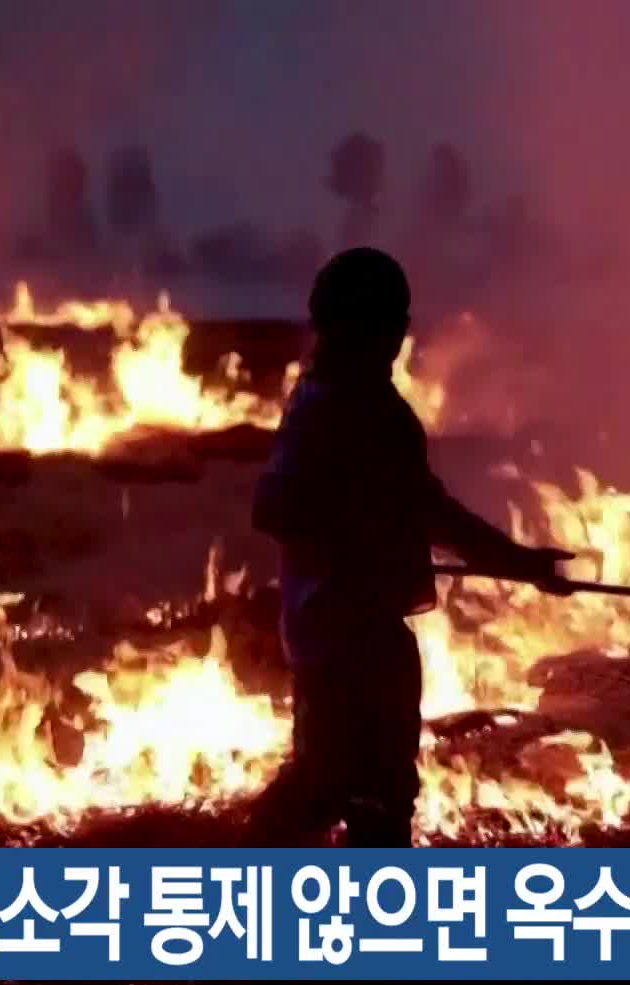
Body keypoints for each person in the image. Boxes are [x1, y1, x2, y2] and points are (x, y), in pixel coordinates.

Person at [246, 246, 573, 847]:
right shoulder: (336, 409)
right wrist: (364, 535)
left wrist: (521, 564)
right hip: (345, 636)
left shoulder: (358, 405)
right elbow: (276, 508)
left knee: (372, 792)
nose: (397, 336)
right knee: (337, 787)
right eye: (387, 321)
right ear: (358, 327)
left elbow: (423, 508)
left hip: (349, 631)